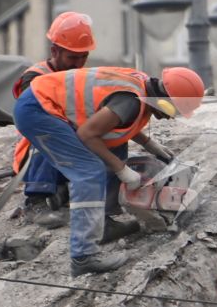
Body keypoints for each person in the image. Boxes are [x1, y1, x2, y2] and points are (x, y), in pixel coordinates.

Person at [14, 65, 204, 276]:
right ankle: (83, 257)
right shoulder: (130, 100)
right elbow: (87, 134)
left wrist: (149, 143)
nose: (171, 117)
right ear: (164, 99)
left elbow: (116, 122)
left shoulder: (141, 87)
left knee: (114, 146)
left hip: (43, 102)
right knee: (89, 172)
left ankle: (103, 223)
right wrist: (122, 170)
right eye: (173, 111)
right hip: (38, 109)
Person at [13, 12, 96, 227]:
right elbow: (40, 118)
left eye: (82, 57)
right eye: (72, 58)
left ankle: (65, 192)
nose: (78, 64)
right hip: (36, 152)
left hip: (71, 151)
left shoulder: (83, 78)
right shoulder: (35, 77)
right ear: (55, 51)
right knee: (50, 135)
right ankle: (35, 202)